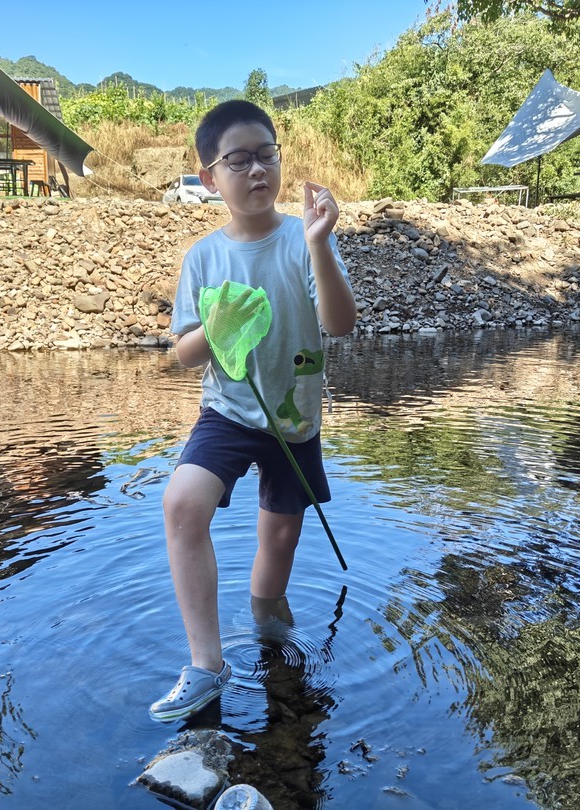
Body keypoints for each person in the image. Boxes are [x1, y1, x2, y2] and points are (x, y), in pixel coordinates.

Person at [150, 100, 356, 722]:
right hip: (230, 411)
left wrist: (320, 243)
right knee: (182, 503)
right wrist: (216, 328)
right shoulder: (203, 258)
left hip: (295, 420)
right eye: (238, 160)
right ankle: (206, 666)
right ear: (210, 177)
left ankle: (270, 629)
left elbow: (340, 325)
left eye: (267, 154)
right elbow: (185, 355)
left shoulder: (303, 238)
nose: (257, 170)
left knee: (279, 545)